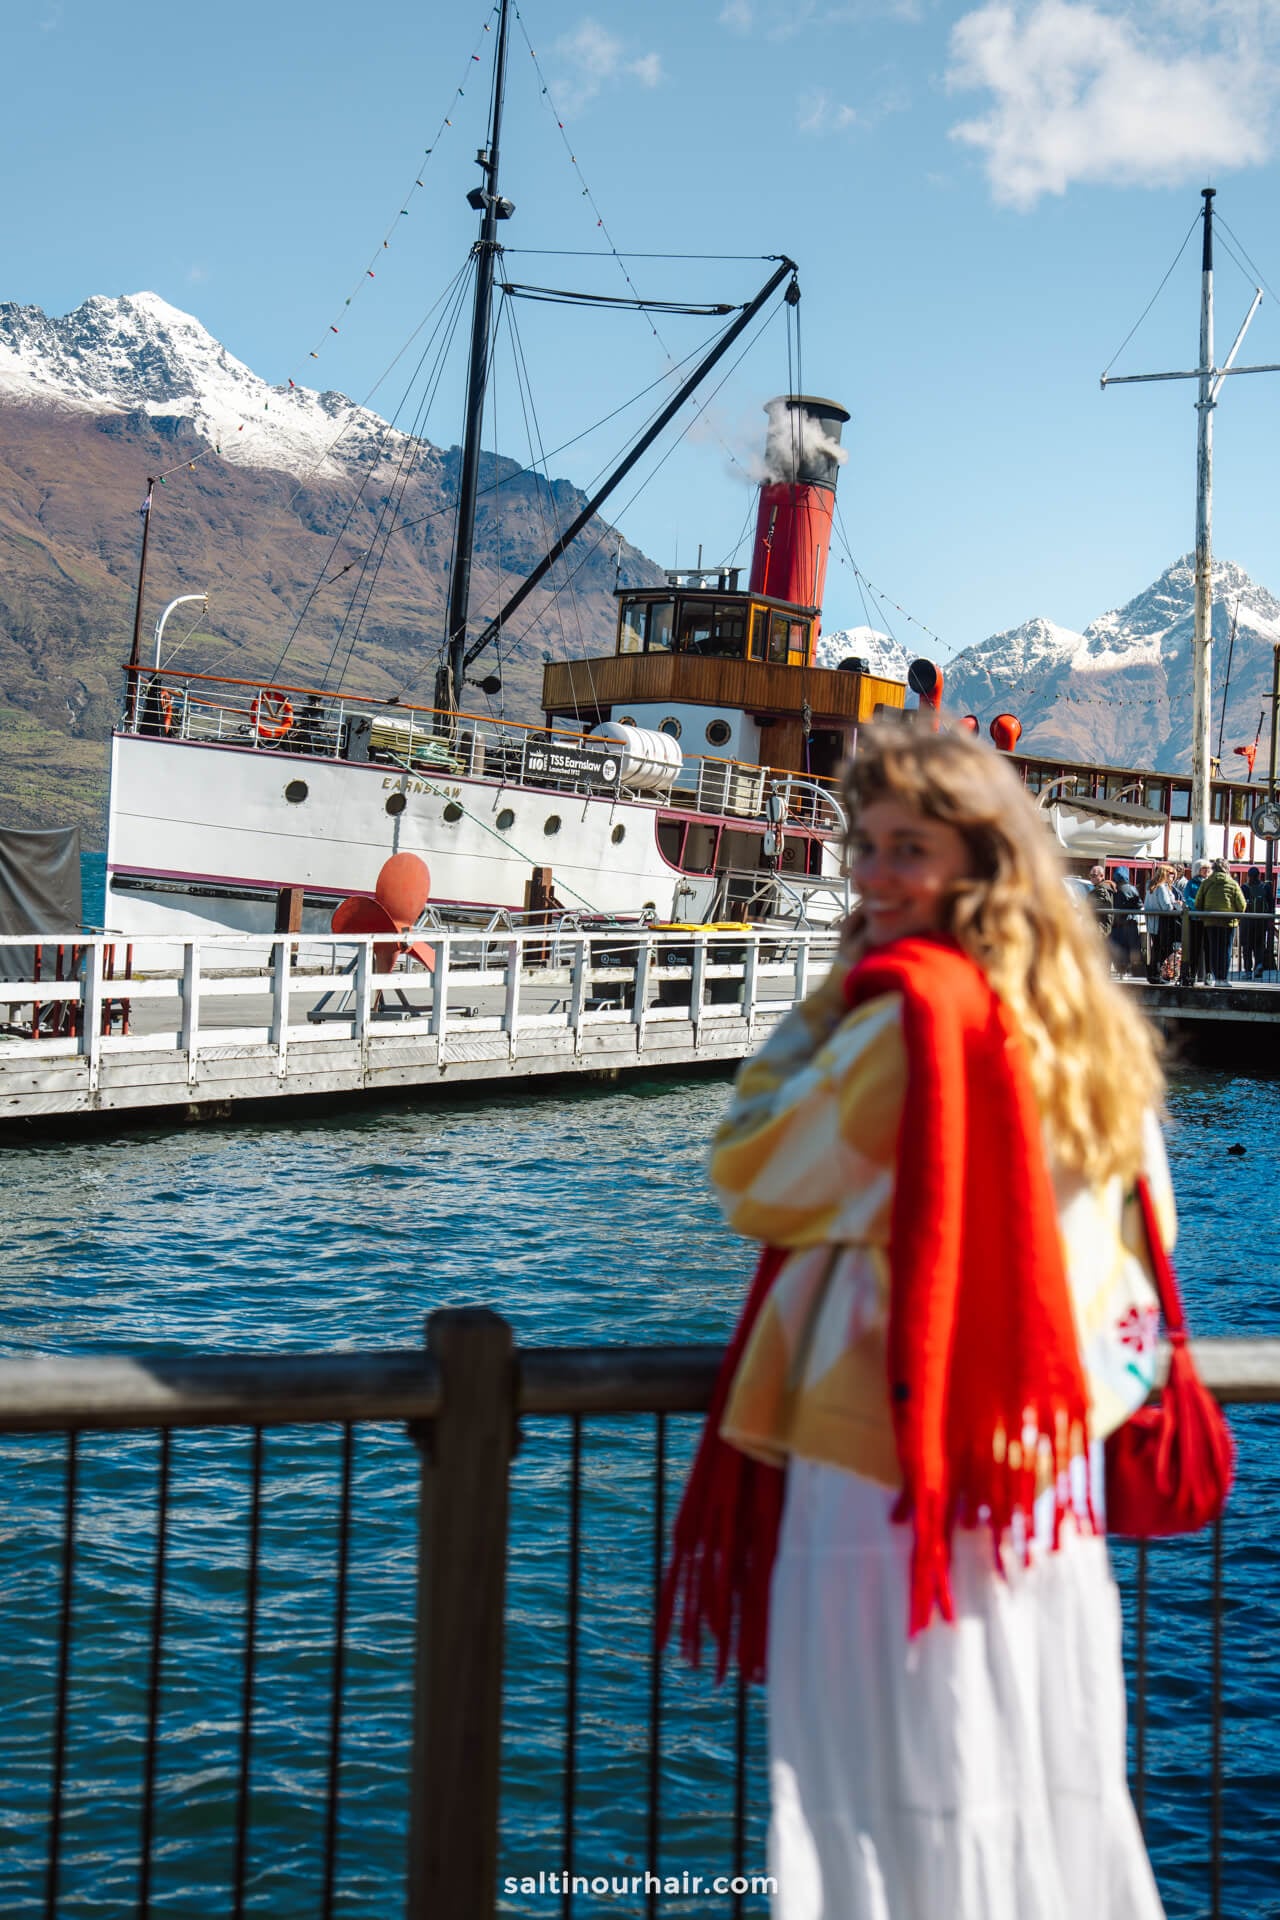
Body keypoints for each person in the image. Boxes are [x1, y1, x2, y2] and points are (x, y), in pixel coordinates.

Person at [662, 725, 1171, 1920]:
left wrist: (837, 990)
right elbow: (1144, 1247)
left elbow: (750, 1170)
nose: (874, 876)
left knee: (875, 1781)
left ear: (979, 863)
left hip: (886, 1458)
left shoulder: (904, 1019)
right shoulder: (1080, 1023)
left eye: (908, 850)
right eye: (866, 847)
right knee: (1038, 1769)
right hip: (1039, 1467)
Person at [1195, 857, 1246, 984]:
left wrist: (1204, 917)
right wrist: (1237, 916)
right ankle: (1223, 978)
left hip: (1211, 921)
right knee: (1226, 950)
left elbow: (1198, 903)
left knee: (1213, 949)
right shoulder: (1233, 884)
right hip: (1228, 922)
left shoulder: (1206, 883)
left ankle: (1216, 977)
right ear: (1227, 868)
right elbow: (1242, 905)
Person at [1144, 862, 1180, 982]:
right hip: (1162, 922)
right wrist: (1176, 904)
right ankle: (1155, 975)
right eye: (1171, 874)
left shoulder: (1151, 886)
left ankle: (1153, 974)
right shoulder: (1161, 887)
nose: (1173, 877)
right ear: (1164, 874)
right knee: (1163, 948)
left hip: (1153, 922)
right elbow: (1166, 907)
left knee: (1157, 948)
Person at [1109, 863, 1144, 976]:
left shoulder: (1112, 888)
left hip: (1115, 924)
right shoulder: (1132, 889)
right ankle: (1126, 972)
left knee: (1117, 949)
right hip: (1129, 924)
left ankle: (1120, 971)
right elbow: (1139, 905)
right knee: (1129, 949)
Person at [1181, 859, 1212, 984]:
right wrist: (1199, 907)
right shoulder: (1191, 883)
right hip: (1195, 919)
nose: (1207, 871)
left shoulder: (1211, 883)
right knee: (1195, 948)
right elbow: (1188, 898)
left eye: (1208, 868)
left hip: (1208, 920)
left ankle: (1208, 974)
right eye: (1204, 868)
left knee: (1208, 947)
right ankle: (1192, 973)